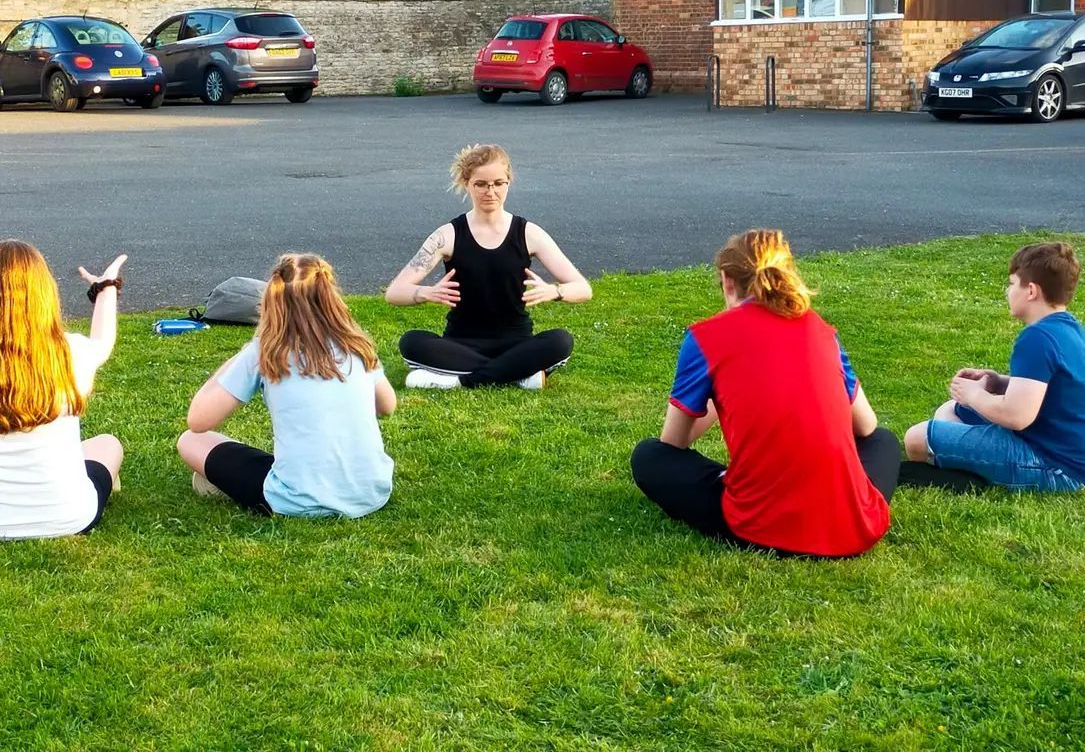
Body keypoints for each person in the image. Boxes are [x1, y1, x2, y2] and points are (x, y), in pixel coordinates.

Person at [631, 229, 898, 558]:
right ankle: (838, 496)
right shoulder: (822, 331)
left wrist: (715, 395)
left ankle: (758, 492)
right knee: (884, 441)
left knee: (649, 457)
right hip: (852, 529)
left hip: (760, 527)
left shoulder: (706, 337)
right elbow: (866, 427)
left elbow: (674, 443)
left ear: (728, 282)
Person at [177, 253, 397, 518]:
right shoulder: (356, 345)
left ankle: (225, 482)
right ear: (330, 296)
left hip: (296, 500)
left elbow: (198, 421)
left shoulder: (266, 351)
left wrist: (246, 352)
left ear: (271, 300)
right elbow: (387, 406)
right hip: (372, 492)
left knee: (190, 441)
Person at [385, 144, 592, 390]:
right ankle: (518, 373)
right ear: (467, 183)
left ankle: (459, 381)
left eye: (498, 183)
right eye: (481, 184)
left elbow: (583, 288)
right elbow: (394, 292)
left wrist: (555, 292)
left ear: (508, 182)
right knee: (412, 342)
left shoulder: (529, 233)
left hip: (517, 343)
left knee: (560, 341)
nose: (490, 191)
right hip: (461, 344)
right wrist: (424, 293)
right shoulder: (448, 235)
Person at [903, 242, 1084, 493]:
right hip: (1061, 450)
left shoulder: (1037, 338)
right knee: (951, 409)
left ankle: (968, 469)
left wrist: (974, 394)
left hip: (1052, 466)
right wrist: (999, 382)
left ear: (1030, 291)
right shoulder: (1070, 329)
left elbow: (1016, 417)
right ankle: (967, 456)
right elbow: (1053, 388)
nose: (1007, 291)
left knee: (916, 439)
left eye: (1011, 284)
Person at [0, 241, 126, 539]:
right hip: (66, 516)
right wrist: (106, 288)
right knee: (108, 444)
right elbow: (103, 343)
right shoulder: (71, 354)